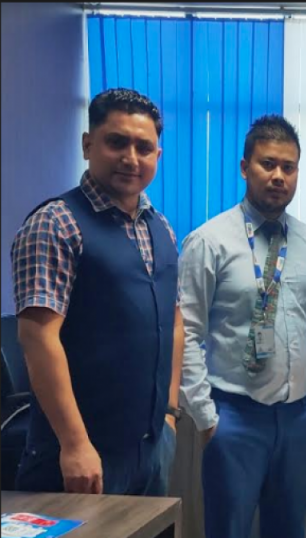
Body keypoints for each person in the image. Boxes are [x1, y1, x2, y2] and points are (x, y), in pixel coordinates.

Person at [11, 88, 182, 495]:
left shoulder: (161, 228)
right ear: (88, 145)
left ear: (158, 156)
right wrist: (74, 444)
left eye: (144, 147)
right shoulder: (56, 224)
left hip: (149, 448)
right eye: (116, 142)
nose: (131, 158)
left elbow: (174, 323)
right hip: (81, 455)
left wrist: (170, 413)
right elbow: (38, 337)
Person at [179, 114, 306, 538]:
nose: (278, 176)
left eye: (288, 167)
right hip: (234, 416)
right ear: (244, 167)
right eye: (268, 164)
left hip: (299, 415)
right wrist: (207, 417)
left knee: (288, 529)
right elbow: (187, 333)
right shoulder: (209, 241)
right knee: (228, 529)